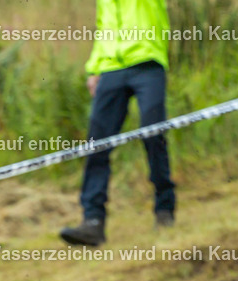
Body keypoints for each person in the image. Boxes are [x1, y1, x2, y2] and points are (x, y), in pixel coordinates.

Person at [60, 0, 177, 247]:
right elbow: (104, 28)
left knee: (154, 134)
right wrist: (95, 69)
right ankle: (93, 221)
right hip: (112, 69)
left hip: (148, 63)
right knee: (96, 144)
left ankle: (164, 208)